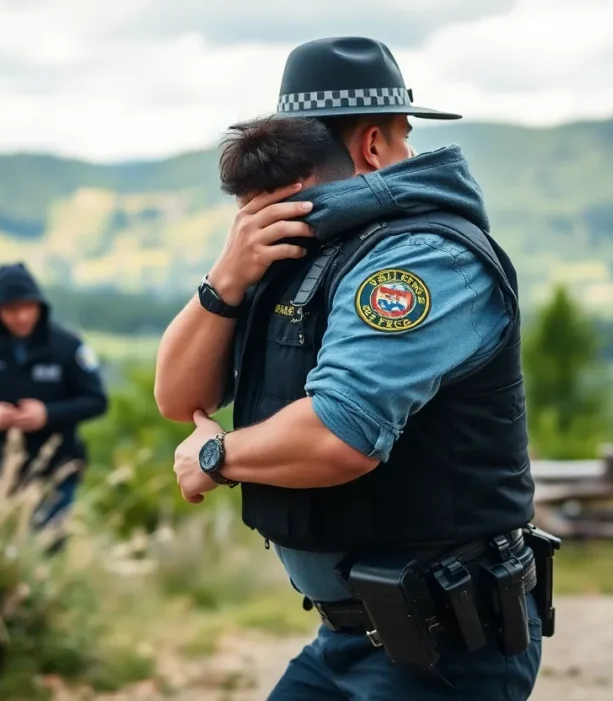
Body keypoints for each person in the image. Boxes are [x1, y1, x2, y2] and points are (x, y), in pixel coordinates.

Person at [156, 37, 553, 699]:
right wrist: (226, 277)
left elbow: (341, 434)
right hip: (348, 636)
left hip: (446, 649)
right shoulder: (299, 249)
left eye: (299, 156)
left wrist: (218, 454)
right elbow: (179, 395)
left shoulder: (421, 256)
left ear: (368, 147)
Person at [0, 262, 108, 546]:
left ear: (39, 306)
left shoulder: (67, 346)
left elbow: (97, 401)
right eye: (11, 309)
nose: (21, 317)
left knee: (48, 547)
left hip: (58, 465)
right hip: (1, 465)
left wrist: (47, 414)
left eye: (27, 307)